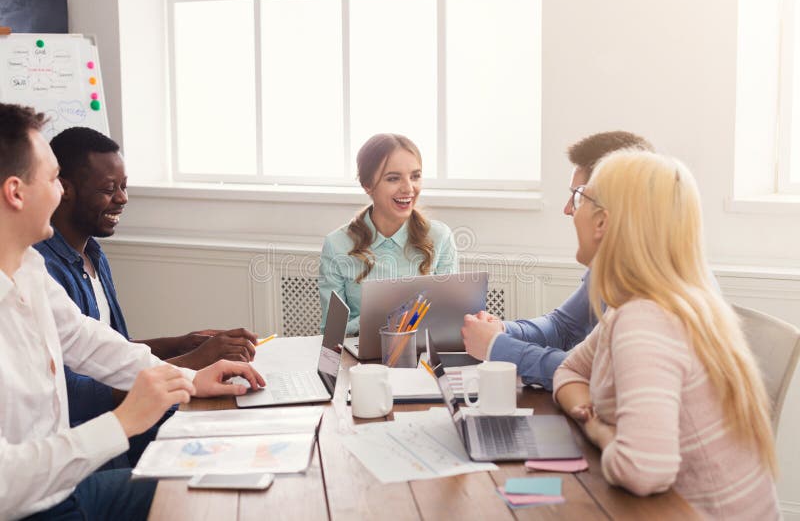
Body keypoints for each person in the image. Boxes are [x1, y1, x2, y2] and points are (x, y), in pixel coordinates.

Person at [0, 102, 265, 520]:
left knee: (213, 484)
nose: (59, 192)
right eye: (52, 179)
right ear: (16, 193)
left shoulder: (28, 268)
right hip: (28, 507)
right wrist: (124, 421)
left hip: (63, 488)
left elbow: (88, 340)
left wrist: (191, 379)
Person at [553, 150, 779, 518]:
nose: (571, 210)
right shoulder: (651, 304)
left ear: (602, 222)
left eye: (580, 198)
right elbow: (569, 370)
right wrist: (593, 417)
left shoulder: (645, 320)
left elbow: (643, 471)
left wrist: (597, 429)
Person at [33, 126, 257, 468]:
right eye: (109, 189)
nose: (122, 198)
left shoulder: (93, 254)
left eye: (124, 186)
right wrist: (193, 363)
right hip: (96, 440)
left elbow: (109, 349)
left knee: (237, 430)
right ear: (64, 190)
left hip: (126, 420)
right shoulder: (43, 269)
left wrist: (180, 345)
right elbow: (73, 391)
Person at [461, 131, 653, 390]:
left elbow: (593, 375)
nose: (567, 209)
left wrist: (497, 346)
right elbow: (564, 327)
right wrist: (502, 330)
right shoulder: (608, 266)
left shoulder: (646, 298)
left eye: (578, 196)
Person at [319, 133, 458, 335]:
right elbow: (332, 333)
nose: (408, 188)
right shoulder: (337, 245)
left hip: (422, 351)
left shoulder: (441, 237)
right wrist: (382, 317)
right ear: (367, 185)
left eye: (415, 176)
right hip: (361, 353)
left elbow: (450, 320)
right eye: (393, 178)